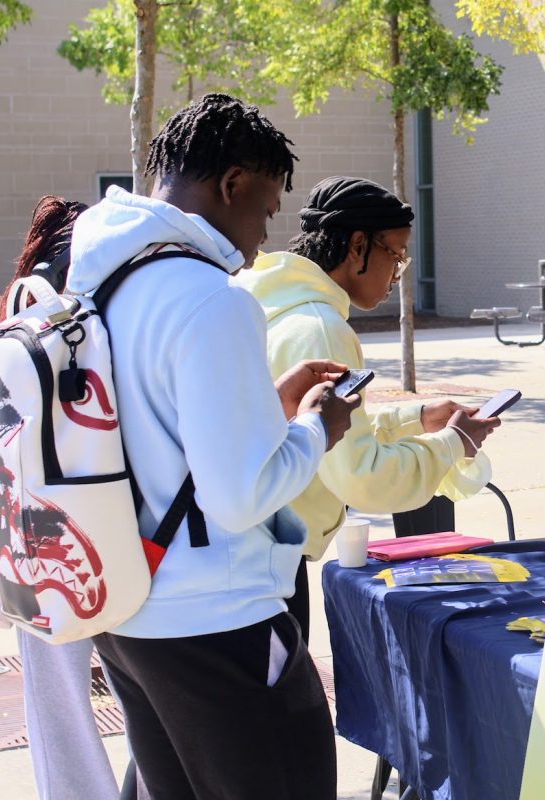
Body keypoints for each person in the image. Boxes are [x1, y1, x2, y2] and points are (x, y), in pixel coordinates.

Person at [66, 94, 359, 799]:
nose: (264, 234)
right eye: (264, 207)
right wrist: (317, 426)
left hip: (126, 614)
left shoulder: (94, 281)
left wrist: (272, 406)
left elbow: (154, 433)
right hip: (217, 623)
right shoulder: (213, 297)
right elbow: (239, 497)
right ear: (231, 184)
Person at [233, 176, 500, 633]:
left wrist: (414, 418)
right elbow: (362, 477)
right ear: (358, 246)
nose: (398, 275)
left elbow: (322, 426)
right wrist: (453, 443)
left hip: (241, 543)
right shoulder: (321, 327)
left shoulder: (276, 306)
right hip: (265, 561)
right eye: (396, 255)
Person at [0, 195, 120, 800]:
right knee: (138, 681)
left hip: (21, 517)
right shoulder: (69, 296)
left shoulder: (18, 298)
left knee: (55, 693)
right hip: (86, 512)